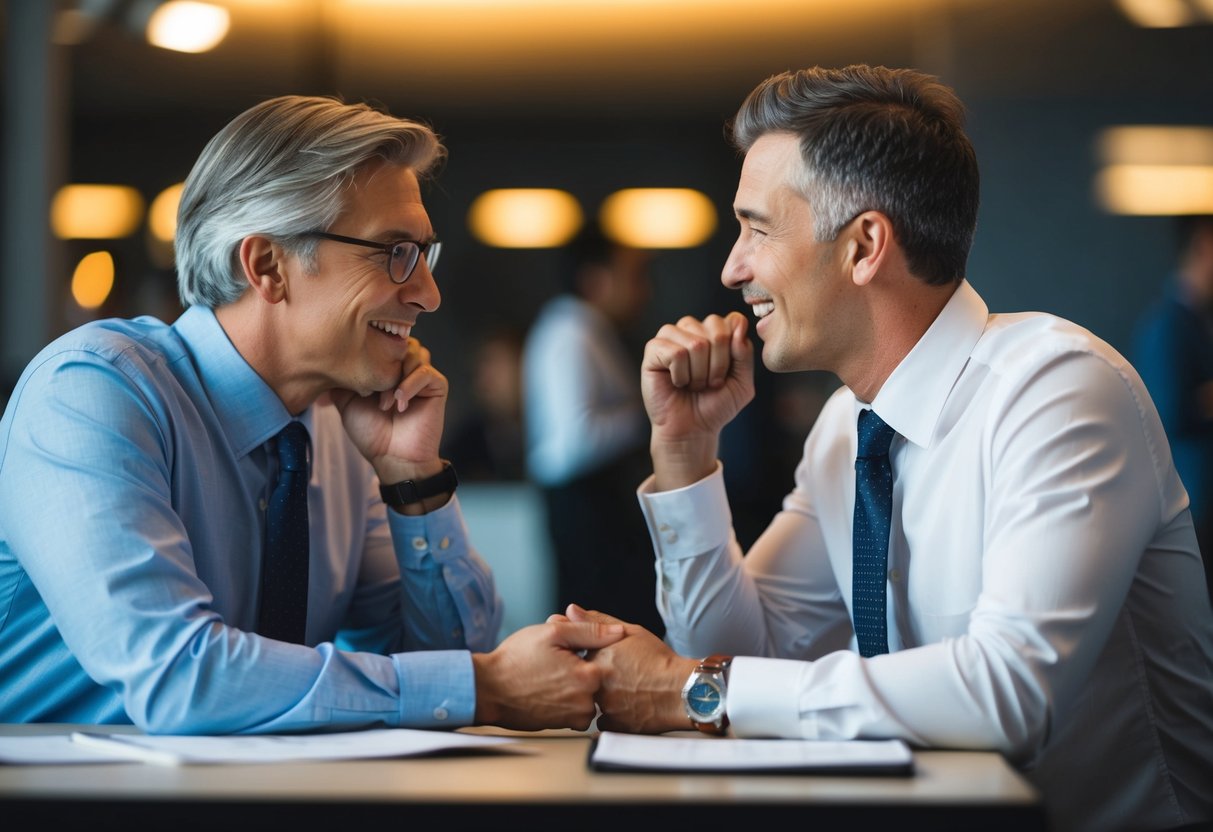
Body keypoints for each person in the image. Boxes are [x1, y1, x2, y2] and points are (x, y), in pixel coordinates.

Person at [558, 66, 1213, 832]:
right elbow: (735, 650)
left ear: (864, 245)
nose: (731, 268)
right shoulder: (848, 426)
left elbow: (1008, 694)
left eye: (756, 229)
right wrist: (683, 452)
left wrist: (697, 691)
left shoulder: (1058, 389)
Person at [0, 94, 623, 734]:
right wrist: (484, 688)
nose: (428, 294)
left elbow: (448, 661)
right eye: (394, 252)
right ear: (268, 265)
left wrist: (412, 478)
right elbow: (178, 678)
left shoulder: (334, 428)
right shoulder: (93, 392)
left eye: (424, 255)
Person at [522, 226, 664, 634]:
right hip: (583, 503)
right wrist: (648, 415)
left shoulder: (586, 330)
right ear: (595, 279)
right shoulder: (571, 331)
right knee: (591, 623)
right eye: (633, 276)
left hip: (590, 501)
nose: (644, 291)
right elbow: (573, 440)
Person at [1133, 214, 1213, 601]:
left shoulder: (1196, 320)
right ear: (1203, 244)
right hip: (1192, 499)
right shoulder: (1168, 323)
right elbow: (1169, 410)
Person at [441, 327, 527, 482]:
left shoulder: (552, 430)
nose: (485, 381)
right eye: (481, 371)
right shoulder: (466, 442)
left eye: (497, 366)